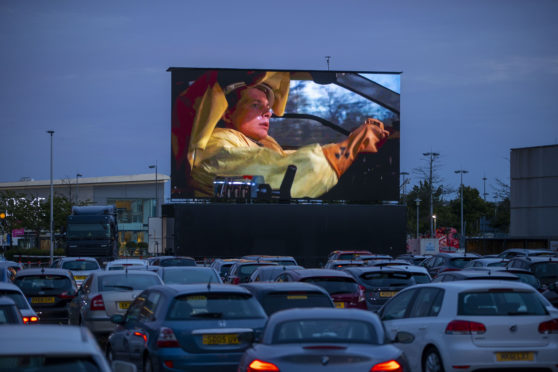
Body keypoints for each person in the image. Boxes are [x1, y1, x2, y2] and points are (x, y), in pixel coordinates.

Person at [188, 82, 390, 198]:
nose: (268, 113)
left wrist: (352, 145)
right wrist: (350, 147)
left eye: (268, 107)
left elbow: (286, 159)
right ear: (228, 114)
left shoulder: (266, 143)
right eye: (257, 106)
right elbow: (274, 170)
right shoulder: (217, 143)